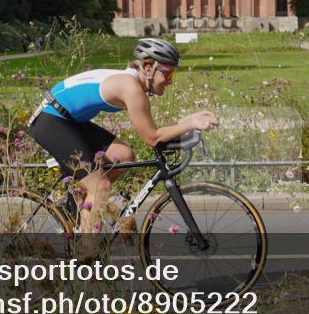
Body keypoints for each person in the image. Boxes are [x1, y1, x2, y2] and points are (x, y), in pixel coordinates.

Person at [28, 38, 219, 240]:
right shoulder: (131, 88)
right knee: (101, 188)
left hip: (68, 119)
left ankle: (81, 201)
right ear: (148, 67)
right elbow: (153, 138)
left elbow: (154, 131)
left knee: (123, 155)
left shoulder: (133, 83)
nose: (170, 80)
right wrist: (190, 124)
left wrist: (190, 120)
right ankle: (85, 257)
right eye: (168, 73)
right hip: (51, 121)